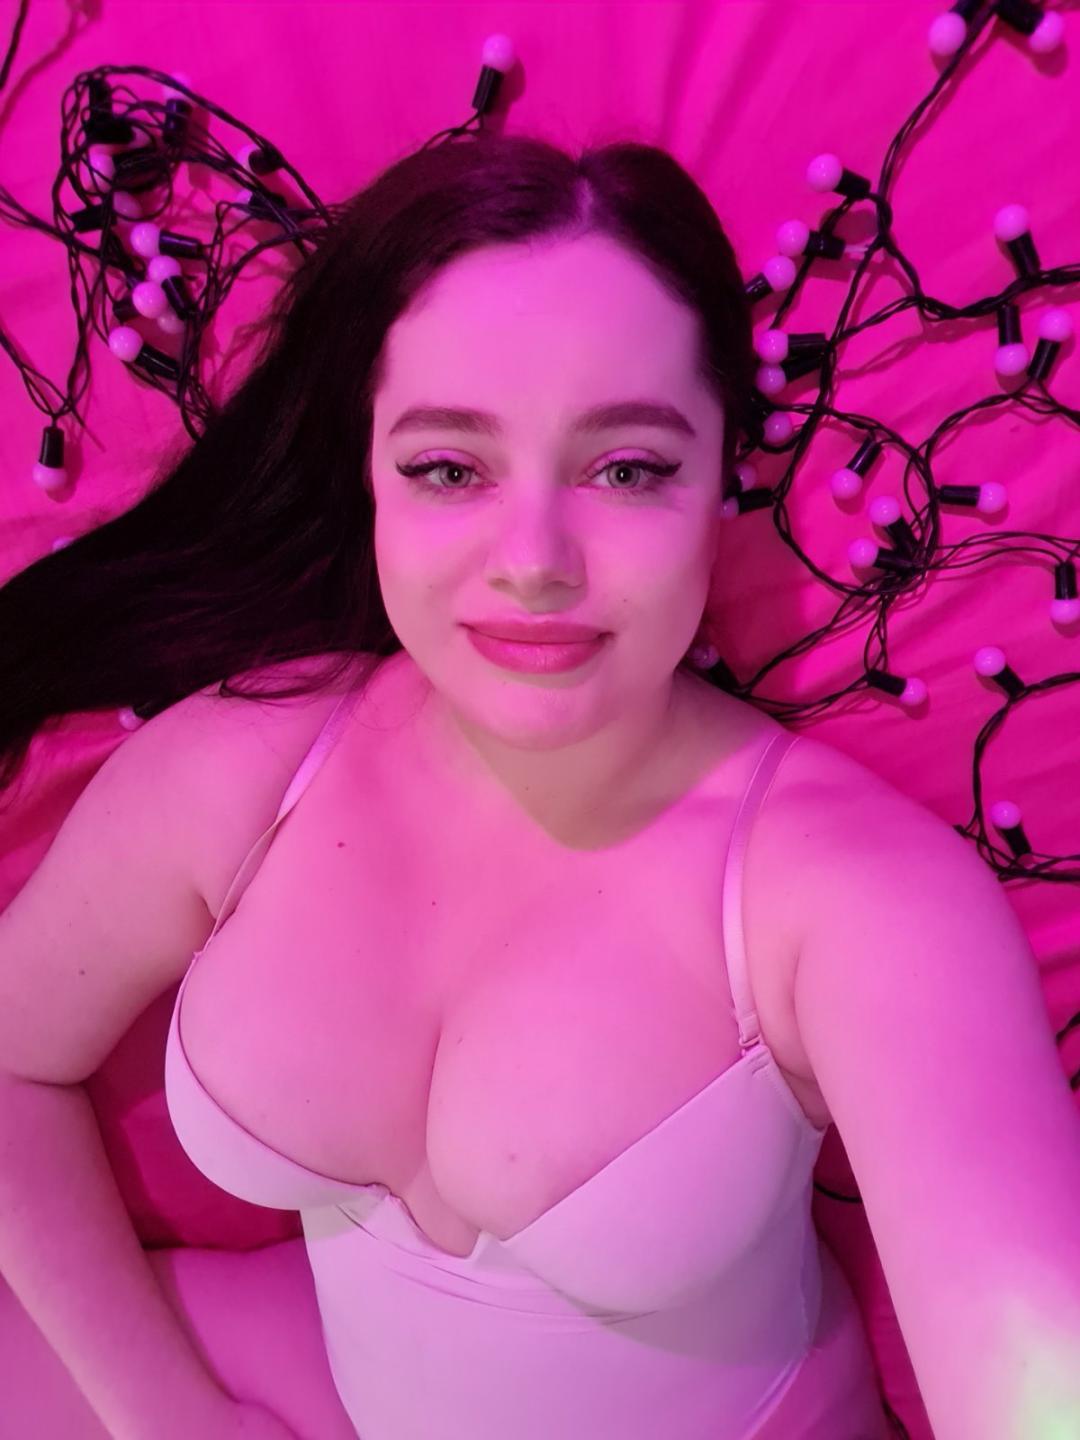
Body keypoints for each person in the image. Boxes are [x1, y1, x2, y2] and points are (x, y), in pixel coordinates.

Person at [2, 132, 1076, 1440]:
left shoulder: (850, 898)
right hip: (330, 1389)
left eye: (627, 468)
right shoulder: (241, 766)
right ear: (369, 474)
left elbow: (1035, 1363)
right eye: (449, 467)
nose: (535, 562)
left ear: (720, 484)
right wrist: (165, 1412)